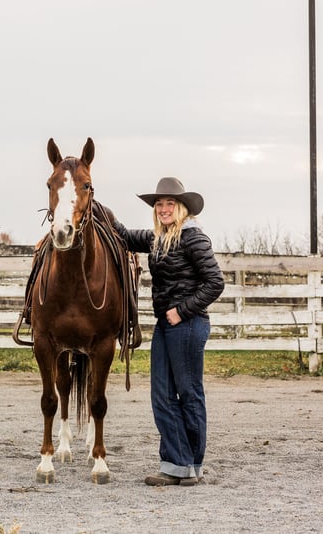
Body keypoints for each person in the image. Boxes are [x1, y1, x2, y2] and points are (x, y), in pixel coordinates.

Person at [113, 177, 225, 487]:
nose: (163, 208)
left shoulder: (193, 238)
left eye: (169, 203)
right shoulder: (158, 239)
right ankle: (178, 464)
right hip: (167, 324)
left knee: (188, 393)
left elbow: (215, 282)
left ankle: (191, 463)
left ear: (182, 208)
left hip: (187, 324)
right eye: (159, 204)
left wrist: (182, 310)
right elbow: (123, 236)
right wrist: (92, 204)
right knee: (161, 394)